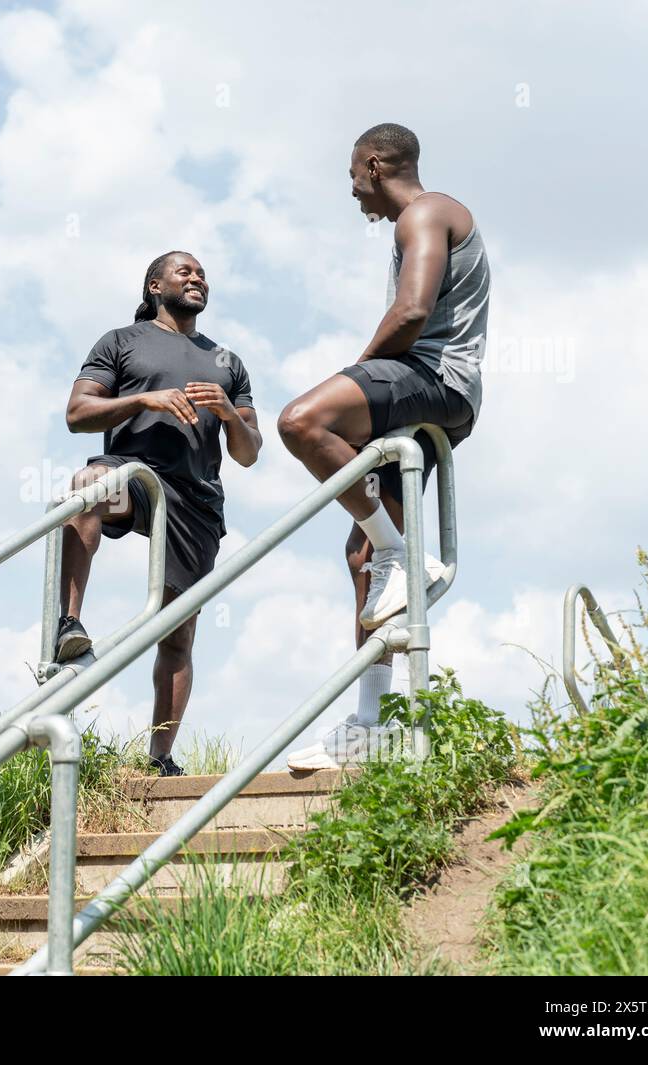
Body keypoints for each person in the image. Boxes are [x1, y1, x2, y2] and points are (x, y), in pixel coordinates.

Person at [281, 123, 490, 770]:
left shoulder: (427, 213)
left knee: (302, 421)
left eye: (353, 176)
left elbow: (410, 313)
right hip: (430, 392)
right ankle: (369, 724)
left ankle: (404, 552)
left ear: (375, 164)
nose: (352, 191)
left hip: (435, 381)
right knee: (362, 553)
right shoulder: (421, 220)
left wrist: (357, 373)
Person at [57, 251, 261, 776]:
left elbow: (249, 451)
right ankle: (69, 622)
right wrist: (143, 401)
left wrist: (227, 412)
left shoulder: (227, 362)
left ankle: (160, 759)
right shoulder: (120, 341)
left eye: (202, 274)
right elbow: (78, 414)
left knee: (178, 634)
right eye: (184, 272)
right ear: (154, 286)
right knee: (87, 485)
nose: (197, 278)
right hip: (134, 472)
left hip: (195, 499)